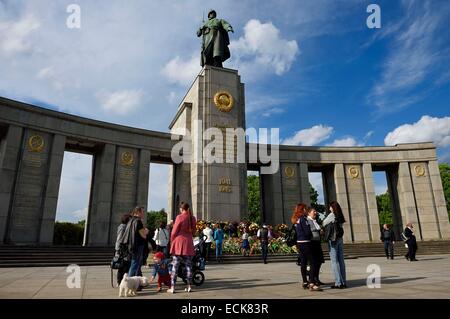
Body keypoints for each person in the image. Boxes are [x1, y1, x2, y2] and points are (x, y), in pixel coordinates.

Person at [168, 202, 197, 293]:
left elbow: (174, 231)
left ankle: (173, 287)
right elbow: (194, 232)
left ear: (181, 209)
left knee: (175, 266)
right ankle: (189, 286)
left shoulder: (179, 217)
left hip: (179, 243)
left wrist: (172, 240)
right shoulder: (192, 218)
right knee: (189, 266)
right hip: (188, 243)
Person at [292, 204, 321, 291]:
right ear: (302, 209)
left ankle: (305, 282)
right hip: (306, 243)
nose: (306, 210)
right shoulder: (303, 219)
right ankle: (311, 283)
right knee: (312, 262)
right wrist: (311, 235)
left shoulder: (295, 220)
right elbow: (307, 232)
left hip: (299, 243)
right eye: (304, 208)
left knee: (303, 263)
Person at [323, 201, 347, 289]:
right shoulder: (340, 215)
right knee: (341, 261)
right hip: (340, 239)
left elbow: (324, 223)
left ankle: (338, 282)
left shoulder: (332, 215)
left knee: (334, 261)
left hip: (333, 239)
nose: (329, 209)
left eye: (330, 207)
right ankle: (343, 281)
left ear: (333, 208)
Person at [127, 206, 149, 280]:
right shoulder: (138, 221)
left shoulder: (131, 220)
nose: (143, 213)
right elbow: (143, 235)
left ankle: (136, 283)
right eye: (142, 212)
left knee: (135, 264)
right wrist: (146, 230)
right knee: (135, 264)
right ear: (138, 212)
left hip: (132, 245)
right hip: (138, 245)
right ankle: (129, 282)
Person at [306, 207, 325, 285]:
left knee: (319, 261)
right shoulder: (308, 221)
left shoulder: (315, 221)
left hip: (317, 243)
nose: (315, 213)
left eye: (316, 211)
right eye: (314, 211)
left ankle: (316, 278)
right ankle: (311, 279)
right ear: (309, 213)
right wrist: (318, 230)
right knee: (313, 262)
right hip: (311, 243)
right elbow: (309, 230)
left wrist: (321, 231)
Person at [115, 212, 131, 285]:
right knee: (122, 266)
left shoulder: (125, 227)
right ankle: (119, 281)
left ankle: (122, 281)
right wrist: (118, 250)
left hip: (125, 249)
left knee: (126, 266)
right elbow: (119, 239)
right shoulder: (123, 227)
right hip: (122, 250)